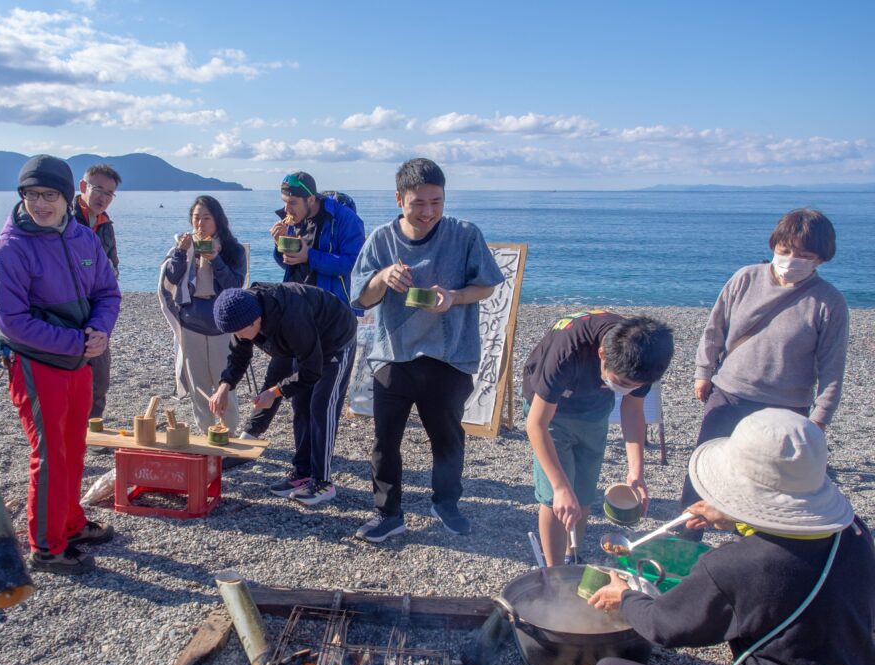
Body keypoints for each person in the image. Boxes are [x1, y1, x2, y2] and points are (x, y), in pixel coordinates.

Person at [588, 409, 875, 665]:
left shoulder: (739, 566)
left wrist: (625, 597)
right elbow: (787, 549)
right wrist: (735, 518)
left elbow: (663, 626)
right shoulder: (855, 536)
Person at [350, 158, 504, 543]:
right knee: (385, 441)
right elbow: (361, 299)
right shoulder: (382, 240)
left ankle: (446, 503)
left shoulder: (464, 234)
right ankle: (388, 513)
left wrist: (453, 297)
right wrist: (383, 277)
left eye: (437, 202)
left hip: (448, 356)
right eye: (418, 203)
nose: (428, 212)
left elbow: (487, 286)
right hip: (393, 355)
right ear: (399, 199)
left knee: (447, 438)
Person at [675, 208, 849, 541]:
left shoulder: (829, 302)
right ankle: (682, 547)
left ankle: (757, 553)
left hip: (786, 409)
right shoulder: (745, 278)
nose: (791, 260)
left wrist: (819, 420)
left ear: (821, 259)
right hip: (729, 393)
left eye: (804, 256)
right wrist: (703, 371)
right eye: (785, 251)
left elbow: (832, 367)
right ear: (774, 245)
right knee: (701, 476)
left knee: (770, 489)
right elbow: (715, 328)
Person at [0, 154, 121, 575]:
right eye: (31, 194)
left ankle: (71, 523)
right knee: (49, 454)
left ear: (66, 197)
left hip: (79, 360)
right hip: (36, 363)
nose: (40, 203)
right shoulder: (10, 248)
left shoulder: (83, 238)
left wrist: (100, 330)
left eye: (49, 195)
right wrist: (78, 342)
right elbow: (12, 321)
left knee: (74, 445)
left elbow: (107, 292)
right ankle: (46, 547)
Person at [523, 311, 674, 566]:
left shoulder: (644, 357)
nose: (628, 388)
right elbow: (536, 425)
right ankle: (554, 569)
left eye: (635, 385)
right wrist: (560, 487)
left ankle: (571, 557)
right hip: (551, 411)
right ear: (602, 354)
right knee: (556, 496)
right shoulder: (568, 350)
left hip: (594, 409)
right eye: (622, 382)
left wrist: (636, 473)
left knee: (583, 492)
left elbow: (632, 410)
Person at [238, 172, 364, 440]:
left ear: (311, 199)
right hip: (293, 309)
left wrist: (311, 256)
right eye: (284, 202)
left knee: (315, 395)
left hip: (328, 318)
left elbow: (353, 263)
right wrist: (279, 246)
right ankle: (251, 433)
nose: (286, 210)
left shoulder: (345, 220)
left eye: (292, 203)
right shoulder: (293, 220)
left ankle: (314, 458)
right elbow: (289, 263)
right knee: (279, 371)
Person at [209, 283, 356, 506]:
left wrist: (276, 391)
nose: (239, 336)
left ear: (256, 319)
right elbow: (239, 356)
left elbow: (311, 370)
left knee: (321, 407)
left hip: (335, 339)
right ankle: (303, 473)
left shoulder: (292, 318)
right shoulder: (242, 316)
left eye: (240, 331)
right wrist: (224, 386)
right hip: (303, 344)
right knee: (301, 405)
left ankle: (323, 482)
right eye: (234, 332)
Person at [158, 195, 247, 432]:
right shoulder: (185, 247)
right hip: (191, 322)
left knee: (224, 384)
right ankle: (206, 433)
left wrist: (216, 259)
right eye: (196, 218)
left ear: (218, 220)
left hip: (221, 324)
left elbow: (235, 285)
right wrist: (180, 252)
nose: (200, 224)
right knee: (198, 385)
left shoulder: (233, 250)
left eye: (206, 218)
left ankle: (229, 433)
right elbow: (171, 278)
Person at [74, 164, 121, 421]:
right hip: (69, 310)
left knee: (100, 379)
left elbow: (114, 266)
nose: (103, 198)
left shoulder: (105, 225)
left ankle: (93, 430)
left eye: (110, 193)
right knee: (71, 378)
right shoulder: (64, 219)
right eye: (98, 189)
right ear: (83, 187)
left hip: (97, 311)